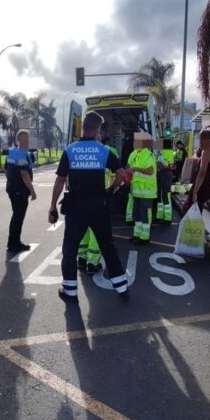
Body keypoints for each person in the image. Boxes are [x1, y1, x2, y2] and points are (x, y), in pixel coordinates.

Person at [49, 112, 128, 304]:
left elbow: (60, 180)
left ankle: (70, 292)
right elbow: (121, 174)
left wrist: (52, 206)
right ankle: (122, 288)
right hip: (98, 207)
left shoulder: (70, 150)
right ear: (97, 129)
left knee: (70, 249)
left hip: (76, 208)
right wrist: (110, 189)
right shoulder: (103, 151)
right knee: (107, 246)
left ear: (82, 127)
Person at [78, 137, 119, 274]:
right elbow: (117, 174)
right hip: (99, 197)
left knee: (83, 229)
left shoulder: (79, 150)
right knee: (97, 231)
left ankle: (81, 259)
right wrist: (111, 189)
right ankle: (92, 262)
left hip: (82, 197)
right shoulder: (108, 151)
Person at [5, 130, 37, 253]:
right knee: (18, 216)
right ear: (20, 140)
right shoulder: (21, 154)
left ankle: (14, 241)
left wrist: (11, 182)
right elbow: (24, 174)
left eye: (28, 139)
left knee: (16, 215)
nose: (28, 142)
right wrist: (32, 191)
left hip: (12, 189)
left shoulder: (12, 152)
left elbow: (7, 171)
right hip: (20, 190)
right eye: (26, 140)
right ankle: (14, 243)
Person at [125, 132, 157, 244]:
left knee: (145, 214)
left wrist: (135, 169)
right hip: (137, 190)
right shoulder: (134, 154)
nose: (134, 143)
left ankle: (145, 237)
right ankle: (137, 235)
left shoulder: (148, 154)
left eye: (136, 141)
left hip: (147, 191)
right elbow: (128, 167)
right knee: (137, 214)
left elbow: (150, 171)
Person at [184, 127, 210, 211]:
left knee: (189, 209)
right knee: (197, 210)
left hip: (202, 186)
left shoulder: (207, 151)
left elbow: (202, 173)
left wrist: (195, 192)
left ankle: (195, 224)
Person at [155, 139, 174, 224]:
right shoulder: (160, 152)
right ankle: (160, 216)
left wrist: (160, 163)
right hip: (160, 174)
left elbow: (170, 166)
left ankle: (167, 218)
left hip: (165, 174)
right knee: (160, 196)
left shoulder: (168, 152)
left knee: (166, 195)